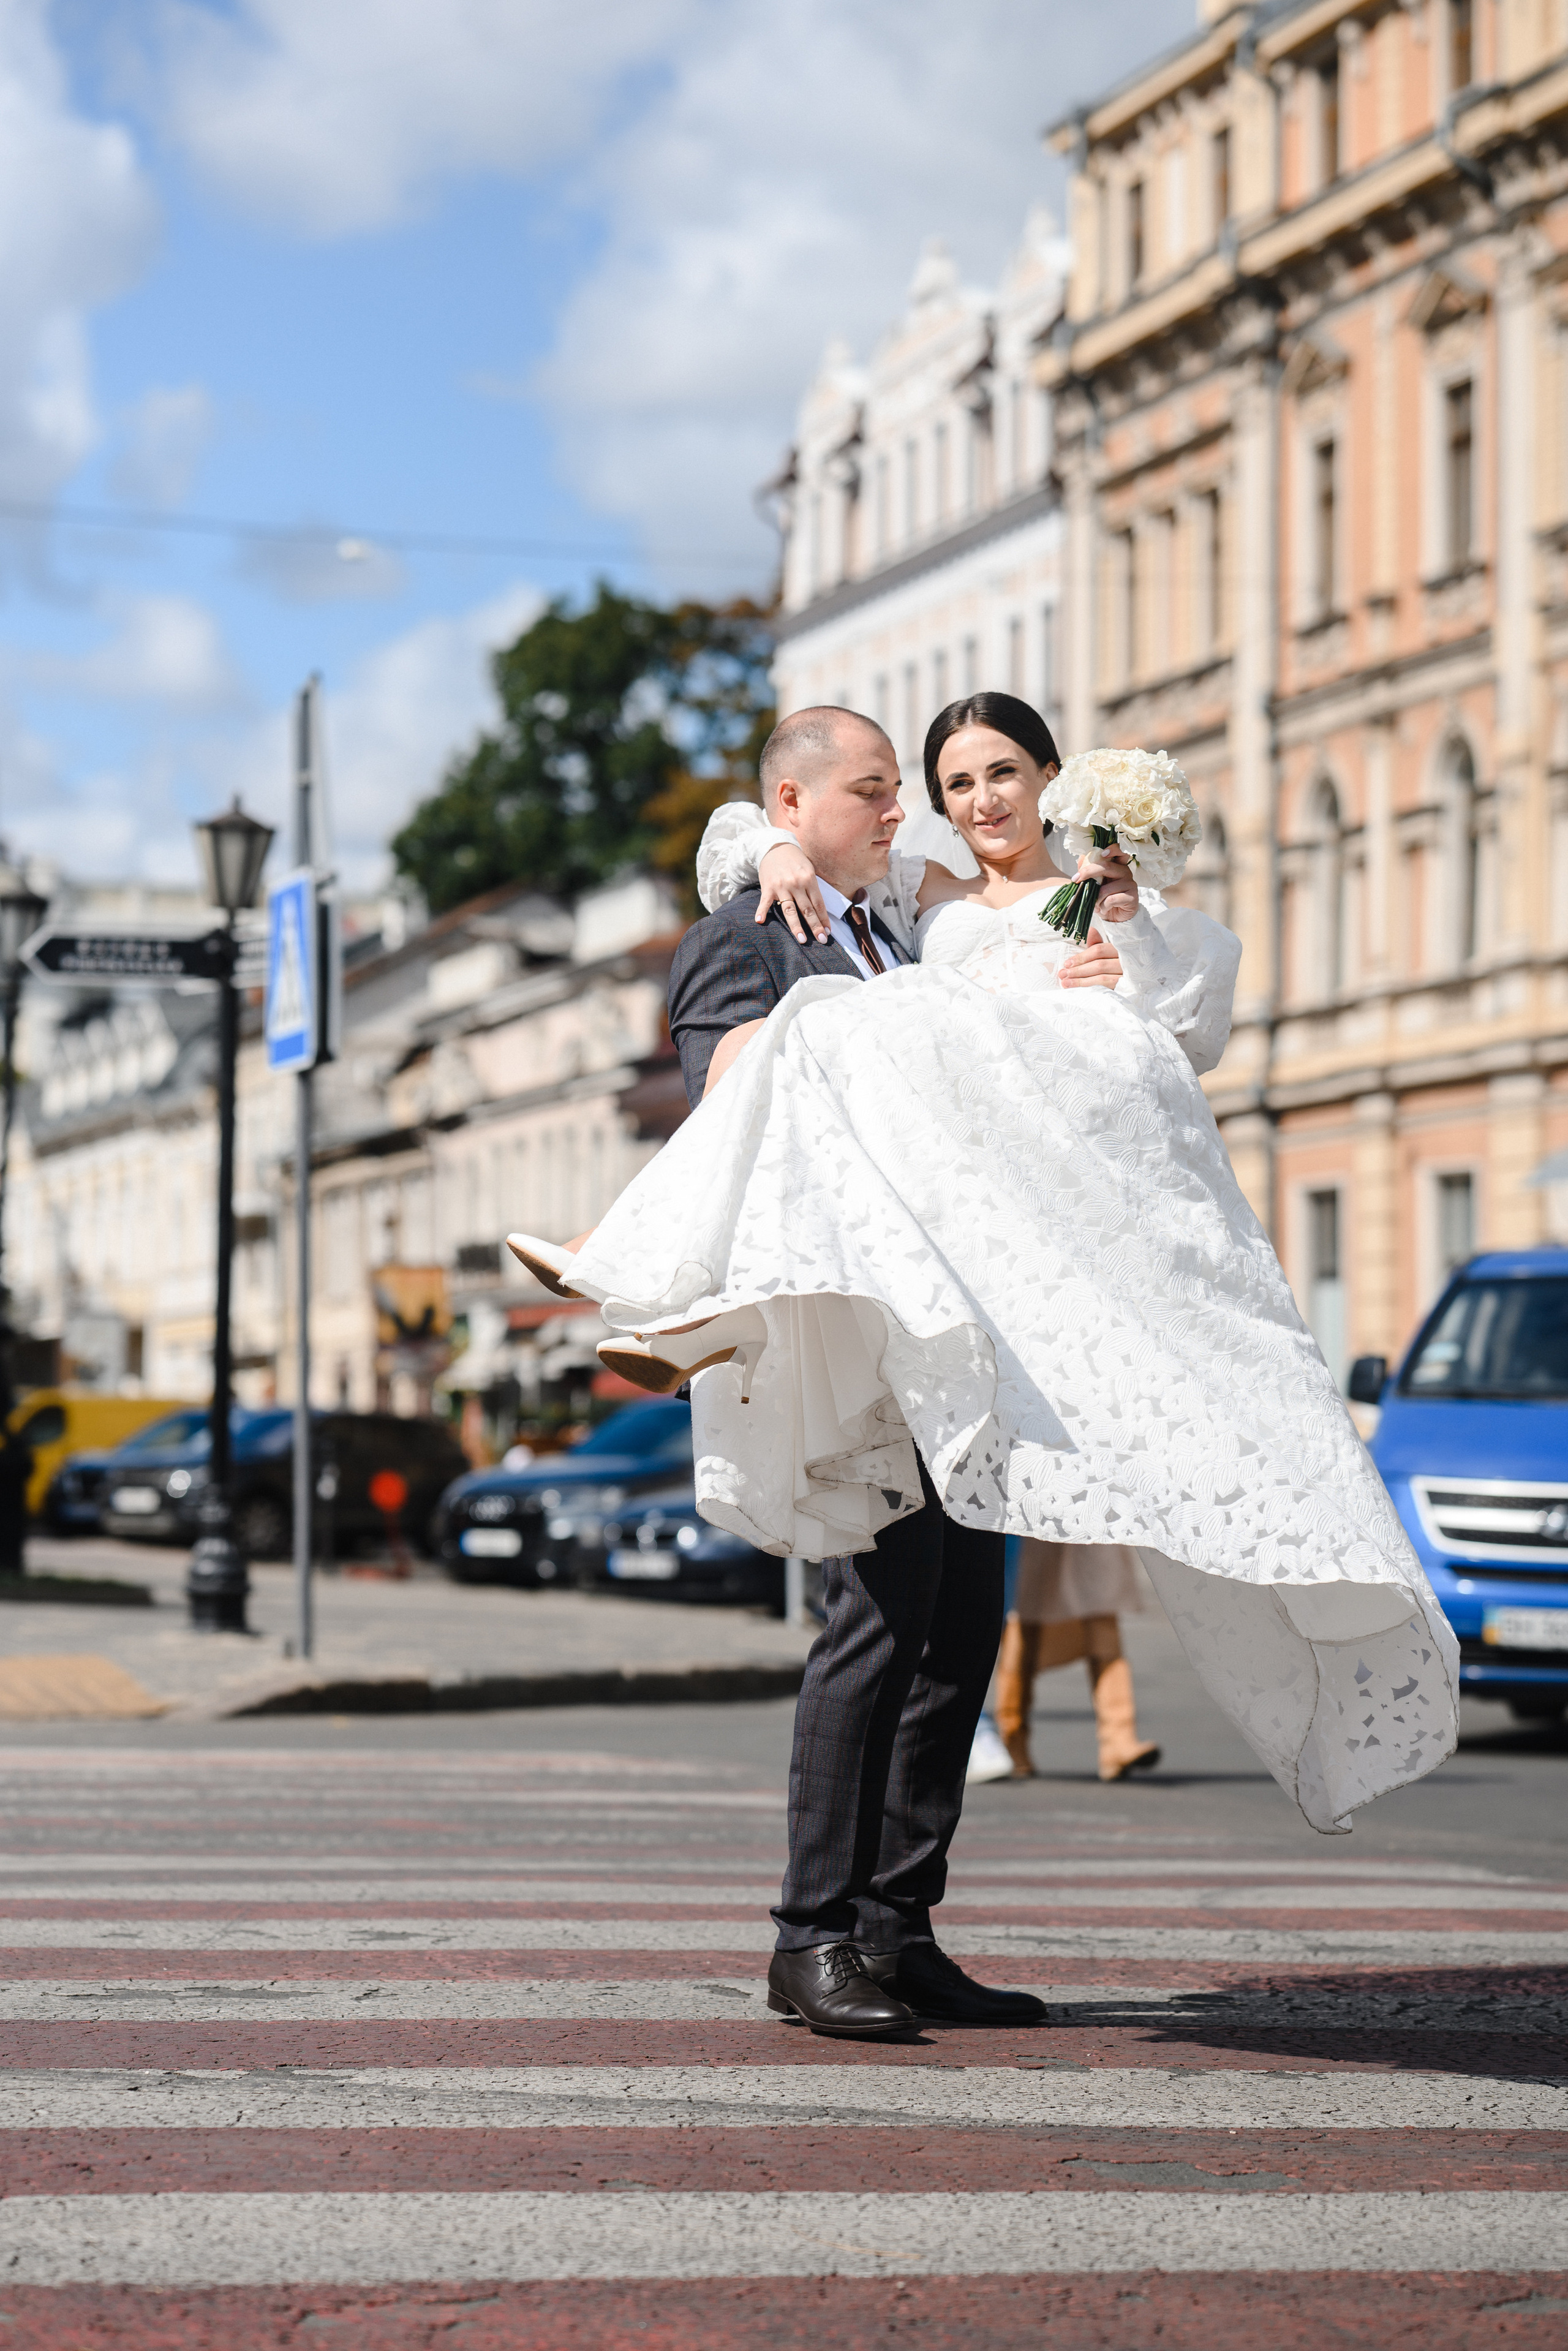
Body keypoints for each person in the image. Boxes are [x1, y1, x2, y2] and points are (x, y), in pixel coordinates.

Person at [514, 694, 1457, 2000]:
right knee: (870, 1627)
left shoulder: (912, 922)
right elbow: (723, 1078)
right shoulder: (756, 930)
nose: (928, 804)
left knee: (957, 1635)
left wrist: (1102, 956)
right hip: (859, 1342)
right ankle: (810, 1937)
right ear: (796, 808)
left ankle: (901, 1927)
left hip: (973, 1341)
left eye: (966, 778)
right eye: (894, 785)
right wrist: (763, 852)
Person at [994, 1539, 1160, 1783]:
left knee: (1102, 1602)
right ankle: (1012, 1739)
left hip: (1092, 1508)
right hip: (1036, 1509)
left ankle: (1119, 1739)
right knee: (1025, 1611)